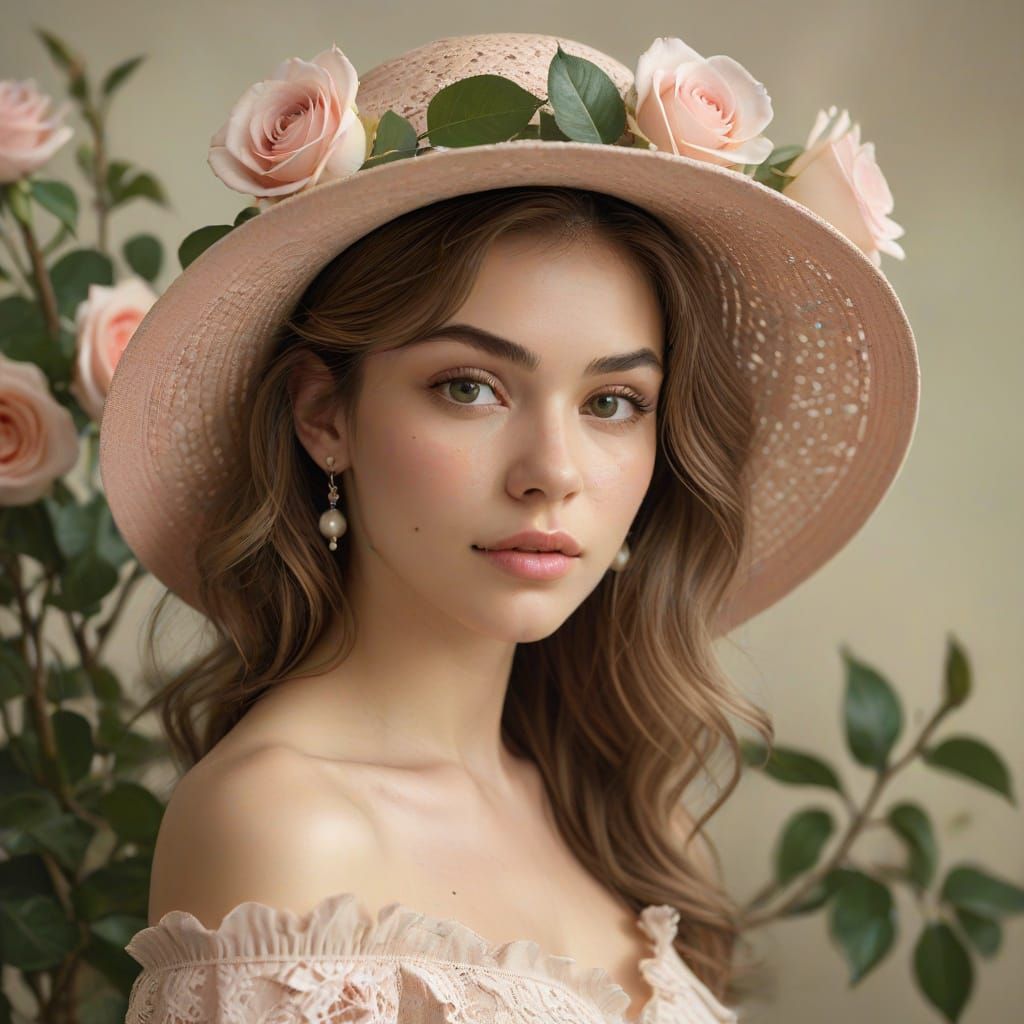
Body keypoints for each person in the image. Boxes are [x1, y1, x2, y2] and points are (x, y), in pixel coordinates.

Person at [100, 32, 919, 1024]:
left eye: (612, 401)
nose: (552, 473)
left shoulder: (626, 819)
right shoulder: (285, 826)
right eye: (470, 386)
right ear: (325, 415)